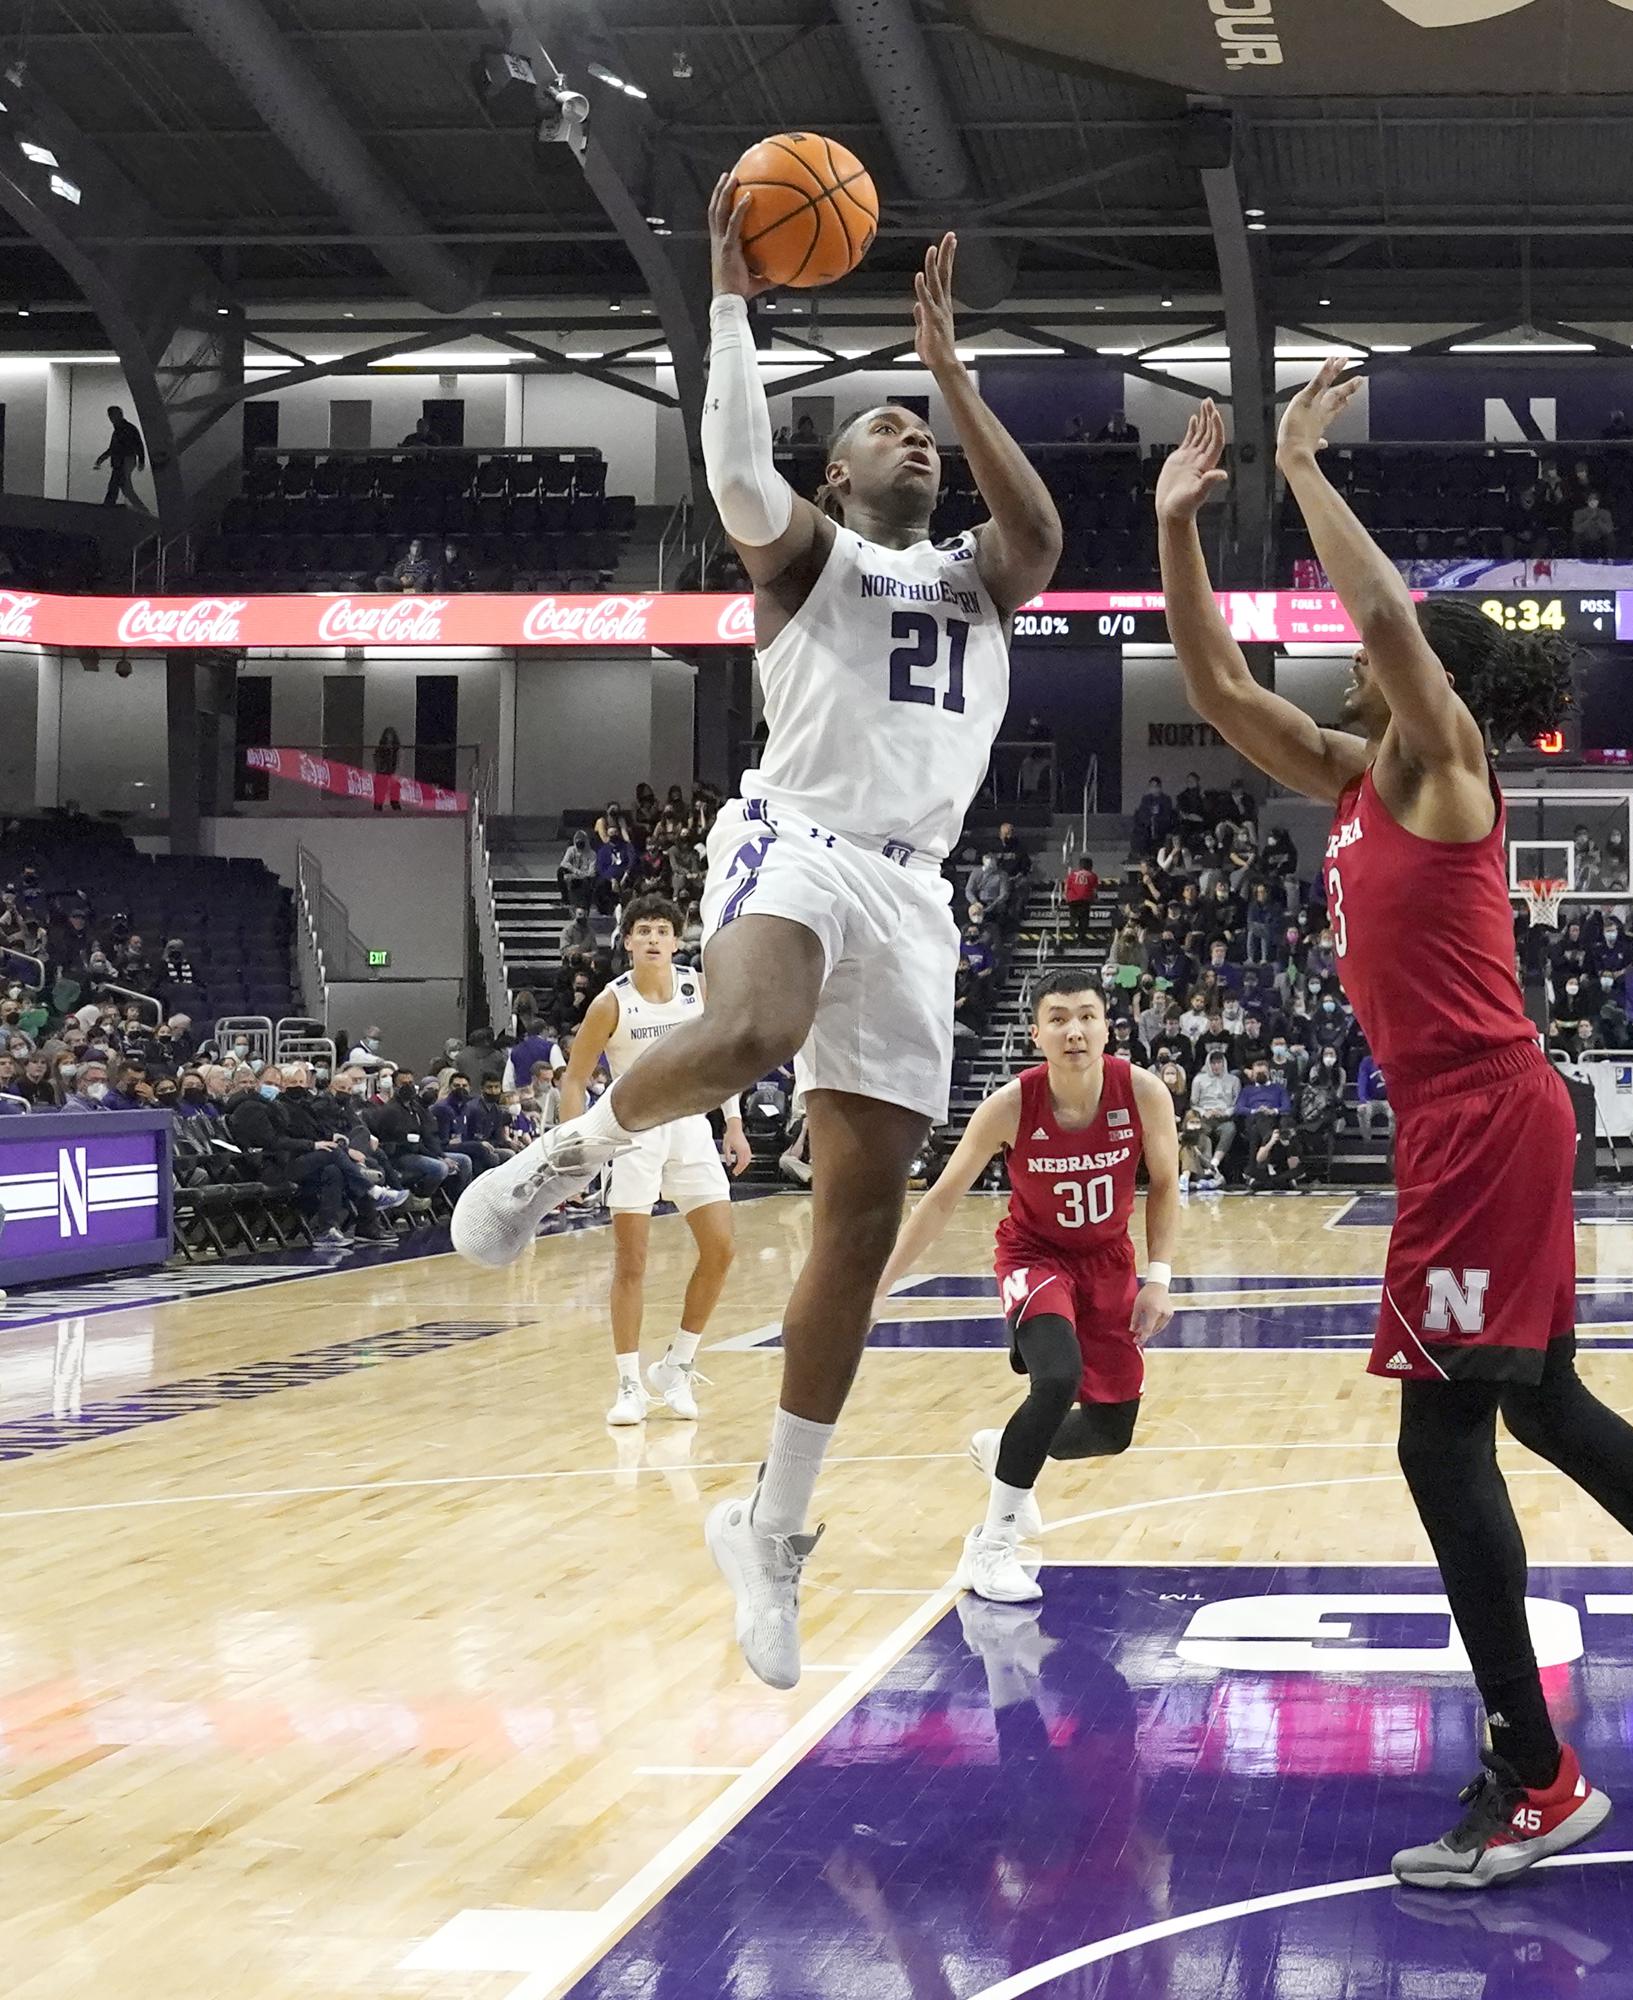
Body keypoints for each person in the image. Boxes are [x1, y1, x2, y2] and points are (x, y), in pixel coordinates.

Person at [1156, 380, 1633, 1891]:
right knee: (1537, 1410)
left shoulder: (1443, 764)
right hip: (1464, 1127)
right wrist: (1174, 530)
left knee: (1439, 1437)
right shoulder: (1346, 785)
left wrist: (1295, 466)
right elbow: (1215, 691)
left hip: (1480, 1119)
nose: (1341, 661)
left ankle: (1537, 1773)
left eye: (1362, 659)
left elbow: (1395, 627)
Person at [447, 200, 1062, 1694]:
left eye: (924, 432)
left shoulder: (980, 577)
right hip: (800, 840)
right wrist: (729, 299)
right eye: (883, 429)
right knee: (754, 1032)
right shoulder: (805, 567)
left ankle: (774, 1527)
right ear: (835, 477)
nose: (912, 438)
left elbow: (1040, 532)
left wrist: (955, 375)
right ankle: (573, 1155)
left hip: (918, 894)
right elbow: (732, 465)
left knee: (856, 1224)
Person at [877, 971, 1181, 1599]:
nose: (1075, 1029)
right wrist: (880, 1287)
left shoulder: (1144, 1092)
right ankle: (989, 1547)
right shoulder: (1011, 1105)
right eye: (1060, 1018)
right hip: (1034, 1256)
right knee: (1057, 1376)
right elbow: (941, 1199)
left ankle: (1004, 1449)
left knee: (1110, 1431)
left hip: (1108, 1260)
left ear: (1107, 1025)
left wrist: (1158, 1278)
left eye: (1088, 1016)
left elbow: (1167, 1185)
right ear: (1036, 1032)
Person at [559, 897, 752, 1427]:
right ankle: (628, 1384)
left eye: (662, 931)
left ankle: (678, 1365)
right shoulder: (610, 1002)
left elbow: (723, 1058)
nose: (651, 939)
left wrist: (733, 1123)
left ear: (676, 941)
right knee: (631, 1264)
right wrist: (573, 1148)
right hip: (632, 1134)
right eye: (642, 930)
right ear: (626, 942)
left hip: (691, 1127)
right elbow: (574, 1078)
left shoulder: (698, 988)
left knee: (721, 1250)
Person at [94, 405, 147, 508]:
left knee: (116, 484)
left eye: (111, 415)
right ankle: (142, 510)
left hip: (124, 461)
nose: (110, 418)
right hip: (124, 461)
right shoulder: (126, 429)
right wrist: (141, 460)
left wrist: (101, 459)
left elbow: (115, 449)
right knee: (124, 487)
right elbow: (137, 445)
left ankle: (108, 506)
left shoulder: (122, 430)